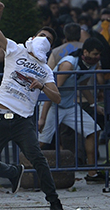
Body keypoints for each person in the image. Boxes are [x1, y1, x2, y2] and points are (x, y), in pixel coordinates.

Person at [0, 0, 65, 210]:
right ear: (34, 37)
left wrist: (42, 87)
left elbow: (56, 97)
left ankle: (54, 203)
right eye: (42, 36)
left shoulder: (45, 70)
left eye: (49, 39)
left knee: (37, 159)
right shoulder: (15, 49)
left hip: (22, 121)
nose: (44, 40)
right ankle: (13, 172)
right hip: (0, 117)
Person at [38, 38, 104, 183]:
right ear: (85, 52)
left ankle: (92, 173)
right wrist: (42, 117)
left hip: (69, 105)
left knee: (93, 131)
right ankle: (28, 172)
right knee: (42, 142)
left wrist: (94, 105)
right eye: (94, 54)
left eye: (98, 54)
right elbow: (53, 91)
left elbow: (83, 83)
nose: (96, 57)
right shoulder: (68, 64)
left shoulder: (93, 64)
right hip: (52, 105)